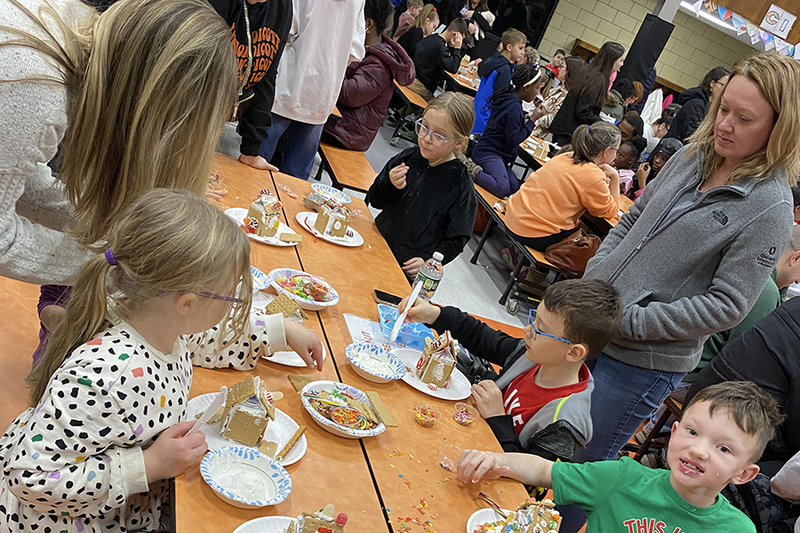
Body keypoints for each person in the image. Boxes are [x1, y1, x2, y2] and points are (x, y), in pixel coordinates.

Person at [0, 189, 324, 532]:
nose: (233, 306)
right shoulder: (107, 375)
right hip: (69, 519)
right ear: (186, 302)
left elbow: (208, 338)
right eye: (230, 296)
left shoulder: (157, 322)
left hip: (126, 499)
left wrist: (280, 330)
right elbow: (33, 478)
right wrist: (148, 464)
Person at [576, 53, 798, 472]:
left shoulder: (770, 206)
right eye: (724, 108)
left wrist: (633, 322)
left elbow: (727, 305)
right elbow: (634, 221)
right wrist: (597, 278)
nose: (724, 124)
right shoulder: (692, 156)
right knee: (540, 426)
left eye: (744, 118)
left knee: (582, 464)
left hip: (640, 362)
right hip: (590, 319)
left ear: (778, 128)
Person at [0, 0, 238, 286]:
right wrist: (116, 268)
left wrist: (104, 230)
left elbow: (19, 179)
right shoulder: (36, 90)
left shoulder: (73, 34)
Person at [457, 381, 783, 533]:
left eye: (723, 448)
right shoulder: (622, 477)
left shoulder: (735, 530)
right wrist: (492, 460)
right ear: (675, 429)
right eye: (692, 432)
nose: (698, 450)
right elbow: (545, 472)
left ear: (743, 474)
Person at [403, 278, 621, 460]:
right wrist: (434, 315)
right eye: (534, 319)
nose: (527, 329)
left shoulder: (564, 425)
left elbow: (526, 486)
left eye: (540, 329)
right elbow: (483, 337)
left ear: (573, 353)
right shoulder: (535, 355)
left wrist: (497, 418)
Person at [368, 92, 477, 279]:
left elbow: (456, 240)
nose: (426, 138)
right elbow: (375, 200)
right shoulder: (408, 157)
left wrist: (429, 262)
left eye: (439, 135)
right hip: (376, 241)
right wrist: (389, 184)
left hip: (406, 267)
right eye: (424, 127)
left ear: (459, 142)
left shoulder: (461, 187)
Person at [258, 0, 366, 180]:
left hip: (286, 86)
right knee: (296, 178)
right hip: (322, 94)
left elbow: (284, 27)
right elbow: (355, 51)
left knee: (257, 162)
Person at [505, 121, 621, 252]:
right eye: (617, 151)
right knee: (585, 247)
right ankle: (531, 268)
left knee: (572, 226)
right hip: (531, 231)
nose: (616, 156)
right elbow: (610, 211)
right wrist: (615, 178)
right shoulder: (593, 175)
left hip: (513, 214)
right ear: (606, 151)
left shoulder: (567, 155)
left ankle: (516, 254)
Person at [209, 0, 291, 171]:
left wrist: (251, 150)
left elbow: (267, 74)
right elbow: (192, 75)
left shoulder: (282, 6)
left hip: (220, 109)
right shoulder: (216, 5)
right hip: (179, 107)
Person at [322, 0, 415, 151]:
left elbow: (350, 94)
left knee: (300, 122)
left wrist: (334, 62)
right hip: (340, 122)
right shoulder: (368, 51)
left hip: (348, 133)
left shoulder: (380, 64)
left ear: (368, 24)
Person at [470, 64, 547, 197]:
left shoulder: (510, 99)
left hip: (497, 153)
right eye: (536, 88)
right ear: (527, 88)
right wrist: (532, 120)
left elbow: (509, 125)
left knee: (515, 188)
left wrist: (527, 117)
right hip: (488, 152)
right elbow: (514, 140)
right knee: (502, 188)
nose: (537, 93)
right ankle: (468, 169)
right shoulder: (514, 108)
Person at [549, 42, 625, 147]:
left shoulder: (590, 72)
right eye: (620, 60)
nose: (622, 64)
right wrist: (603, 124)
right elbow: (584, 110)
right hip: (570, 131)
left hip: (564, 127)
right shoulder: (597, 79)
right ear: (611, 60)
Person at [407, 18, 467, 102]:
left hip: (412, 76)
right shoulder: (440, 47)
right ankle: (399, 114)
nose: (460, 42)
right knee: (435, 106)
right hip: (420, 85)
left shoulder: (432, 37)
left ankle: (397, 115)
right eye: (460, 39)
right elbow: (453, 68)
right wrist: (457, 48)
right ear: (454, 34)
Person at [666, 66, 729, 143]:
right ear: (712, 84)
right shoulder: (696, 105)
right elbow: (692, 138)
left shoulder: (711, 107)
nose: (725, 91)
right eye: (723, 86)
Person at [533, 56, 584, 139]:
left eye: (562, 66)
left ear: (570, 71)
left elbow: (554, 118)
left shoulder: (569, 95)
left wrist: (534, 117)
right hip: (536, 129)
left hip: (542, 136)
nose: (559, 69)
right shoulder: (559, 88)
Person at [477, 29, 528, 96]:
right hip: (489, 105)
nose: (523, 52)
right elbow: (500, 96)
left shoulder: (493, 60)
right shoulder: (504, 69)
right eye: (520, 48)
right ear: (509, 47)